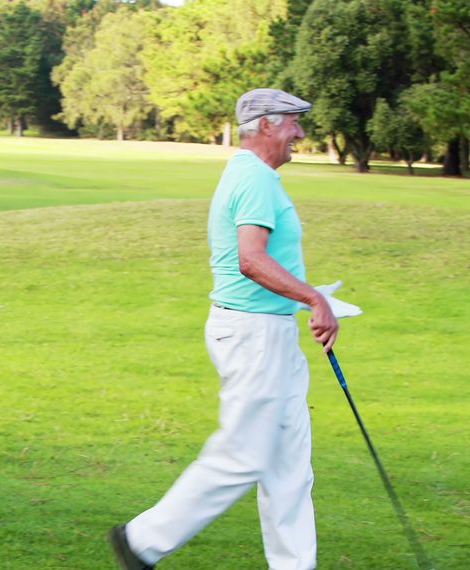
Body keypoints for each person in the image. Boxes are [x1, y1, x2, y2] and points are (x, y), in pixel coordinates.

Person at [109, 88, 345, 570]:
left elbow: (264, 262)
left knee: (289, 468)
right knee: (244, 455)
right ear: (265, 126)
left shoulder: (257, 177)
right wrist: (313, 298)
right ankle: (141, 540)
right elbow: (251, 260)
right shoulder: (255, 178)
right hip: (253, 337)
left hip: (271, 334)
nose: (300, 132)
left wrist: (313, 295)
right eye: (293, 123)